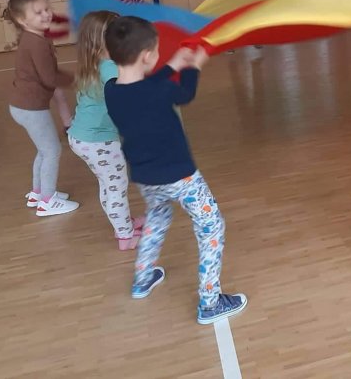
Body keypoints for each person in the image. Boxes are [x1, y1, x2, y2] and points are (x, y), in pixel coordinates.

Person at [104, 17, 247, 324]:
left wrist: (171, 65)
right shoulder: (158, 91)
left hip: (145, 177)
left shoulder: (111, 90)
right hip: (181, 177)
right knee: (211, 226)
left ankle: (143, 278)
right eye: (156, 51)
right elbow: (184, 95)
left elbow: (145, 89)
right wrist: (194, 66)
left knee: (158, 217)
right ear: (146, 56)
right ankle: (210, 302)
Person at [69, 10, 143, 250]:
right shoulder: (109, 68)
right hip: (99, 141)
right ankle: (125, 236)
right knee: (116, 187)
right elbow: (122, 95)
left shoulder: (92, 65)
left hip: (81, 137)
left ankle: (123, 224)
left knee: (108, 184)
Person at [6, 0, 79, 217]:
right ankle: (47, 201)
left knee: (44, 149)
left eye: (47, 9)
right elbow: (49, 77)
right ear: (22, 20)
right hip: (30, 108)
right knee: (52, 150)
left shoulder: (35, 38)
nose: (46, 14)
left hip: (23, 106)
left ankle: (38, 193)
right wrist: (76, 81)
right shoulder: (36, 43)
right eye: (38, 12)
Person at [3, 0, 72, 128]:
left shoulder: (39, 21)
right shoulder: (32, 34)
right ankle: (67, 124)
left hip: (46, 65)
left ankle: (68, 124)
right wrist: (72, 80)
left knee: (59, 95)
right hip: (39, 76)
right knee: (55, 93)